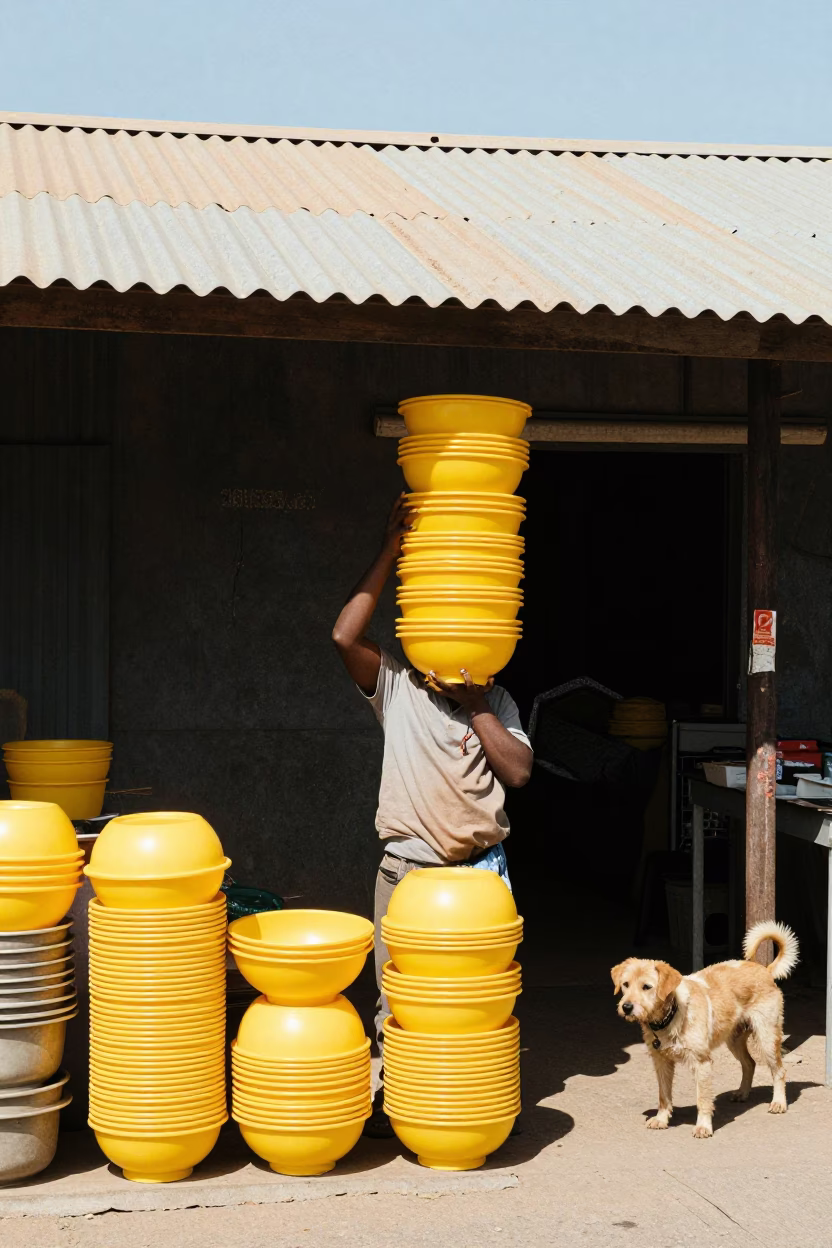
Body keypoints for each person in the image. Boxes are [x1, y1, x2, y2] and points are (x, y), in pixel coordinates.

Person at [332, 495, 534, 1135]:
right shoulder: (396, 685)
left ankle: (469, 1106)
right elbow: (343, 636)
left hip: (479, 879)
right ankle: (401, 1105)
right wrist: (391, 548)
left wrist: (476, 704)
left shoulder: (498, 702)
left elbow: (519, 772)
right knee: (399, 1002)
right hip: (408, 875)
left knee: (474, 1008)